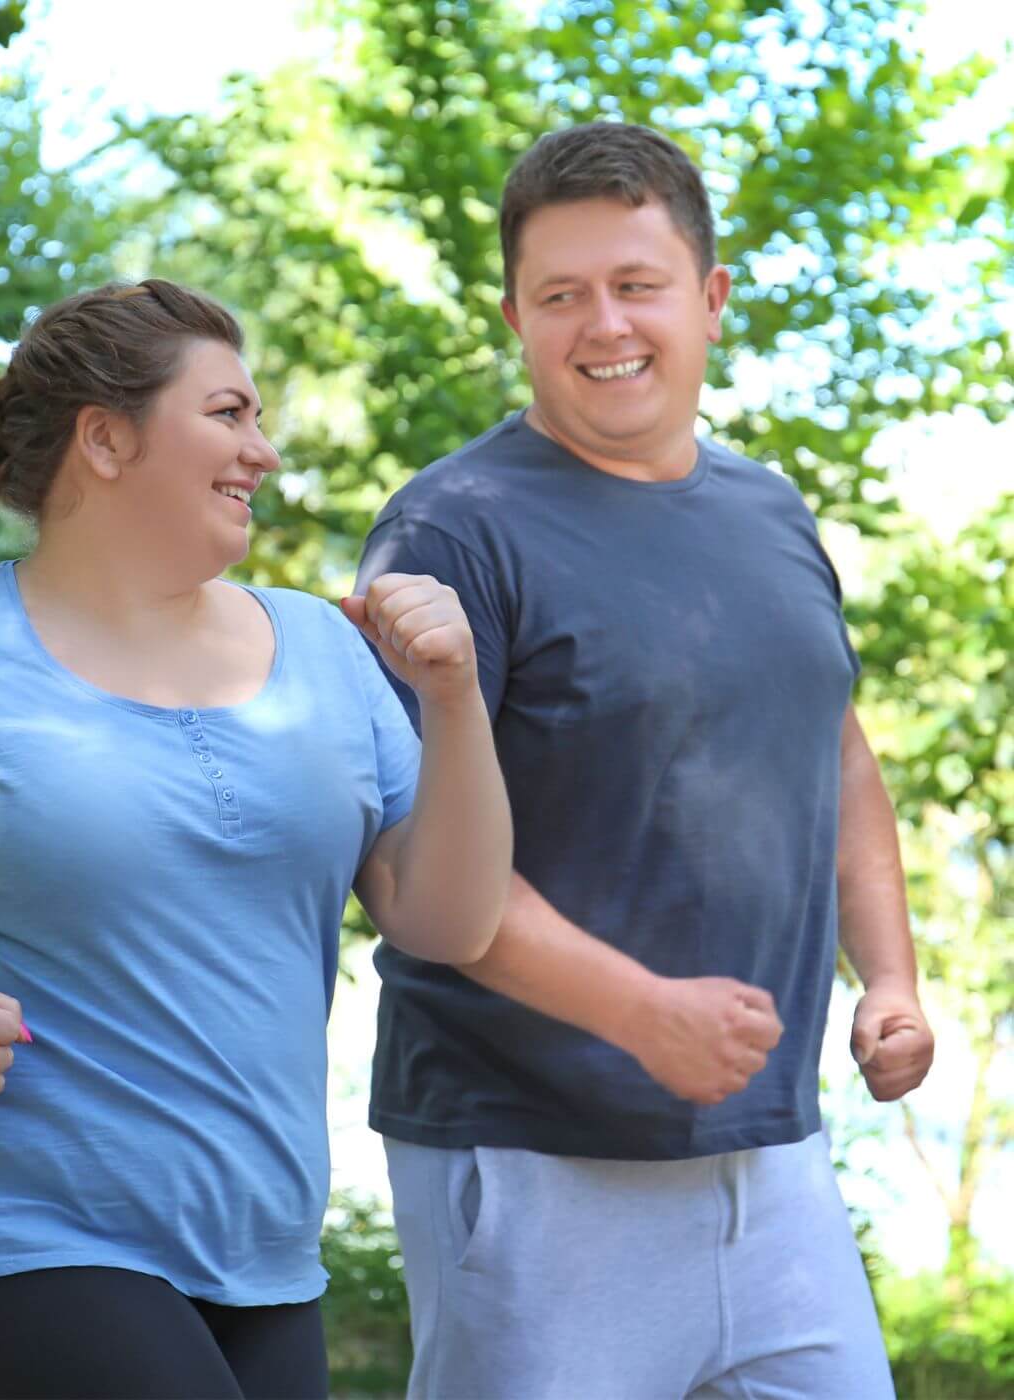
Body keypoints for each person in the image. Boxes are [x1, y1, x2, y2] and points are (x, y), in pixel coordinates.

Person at [0, 279, 512, 1400]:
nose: (264, 452)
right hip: (1, 1236)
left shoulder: (326, 655)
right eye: (228, 414)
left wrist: (456, 695)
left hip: (261, 1254)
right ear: (106, 438)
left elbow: (451, 918)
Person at [354, 122, 935, 1399]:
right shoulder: (448, 530)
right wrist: (636, 1009)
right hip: (530, 1160)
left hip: (773, 1159)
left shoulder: (770, 514)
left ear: (710, 299)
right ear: (514, 315)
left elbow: (833, 756)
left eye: (635, 284)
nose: (599, 323)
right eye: (559, 294)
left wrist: (884, 978)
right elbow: (410, 863)